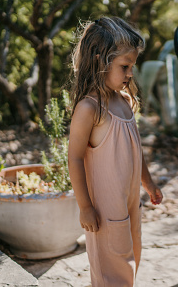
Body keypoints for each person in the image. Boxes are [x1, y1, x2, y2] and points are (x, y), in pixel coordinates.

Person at [67, 16, 163, 287]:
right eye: (125, 66)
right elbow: (74, 158)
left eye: (132, 66)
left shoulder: (123, 102)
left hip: (129, 203)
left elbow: (135, 150)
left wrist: (149, 182)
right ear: (100, 61)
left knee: (130, 258)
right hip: (105, 211)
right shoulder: (89, 109)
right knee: (111, 272)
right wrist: (85, 207)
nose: (130, 73)